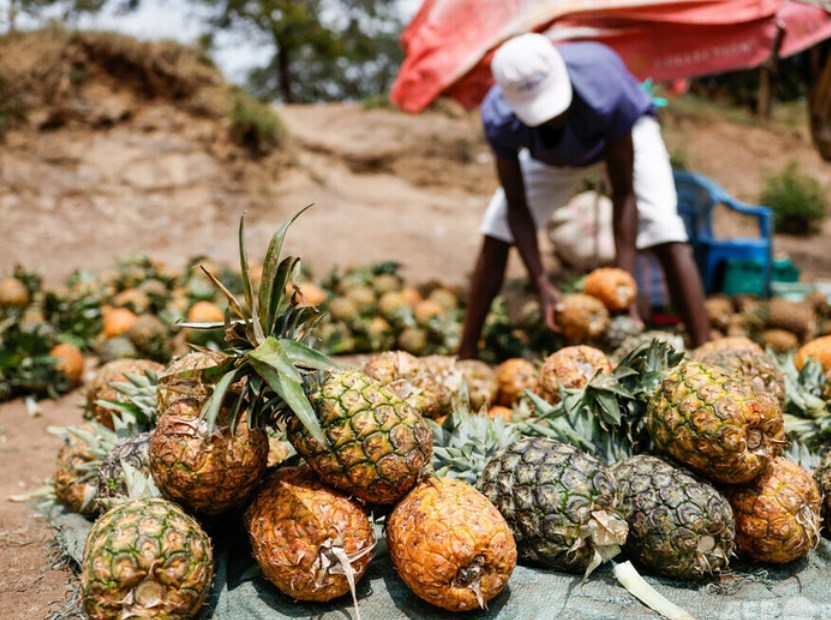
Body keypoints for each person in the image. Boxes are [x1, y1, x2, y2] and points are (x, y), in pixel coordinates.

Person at [458, 33, 710, 359]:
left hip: (619, 138)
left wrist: (622, 288)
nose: (550, 118)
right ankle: (465, 352)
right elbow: (517, 206)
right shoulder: (499, 117)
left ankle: (705, 346)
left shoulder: (604, 83)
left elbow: (624, 193)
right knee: (496, 226)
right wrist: (541, 283)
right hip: (549, 158)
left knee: (663, 225)